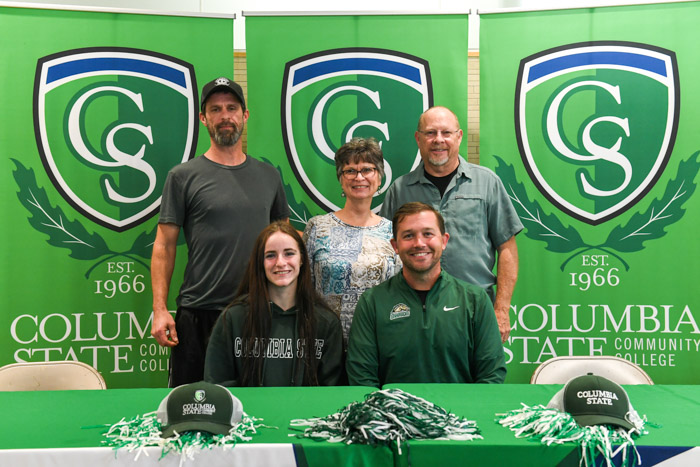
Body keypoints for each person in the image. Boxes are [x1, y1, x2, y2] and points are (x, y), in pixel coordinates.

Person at [150, 77, 290, 387]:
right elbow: (164, 246)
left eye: (231, 108)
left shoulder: (269, 176)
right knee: (191, 407)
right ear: (203, 118)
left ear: (245, 115)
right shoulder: (182, 176)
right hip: (198, 313)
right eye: (215, 109)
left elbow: (286, 243)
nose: (224, 116)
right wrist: (160, 310)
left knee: (257, 407)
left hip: (258, 311)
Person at [379, 106, 523, 342]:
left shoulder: (487, 183)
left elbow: (507, 248)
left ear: (459, 136)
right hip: (412, 312)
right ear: (418, 138)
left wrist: (501, 310)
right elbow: (386, 251)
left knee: (478, 378)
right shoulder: (400, 189)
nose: (438, 140)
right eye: (430, 133)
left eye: (446, 133)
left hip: (475, 310)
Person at [346, 202, 506, 387]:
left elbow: (492, 375)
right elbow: (362, 377)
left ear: (444, 241)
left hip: (460, 415)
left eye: (428, 234)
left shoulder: (475, 300)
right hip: (393, 415)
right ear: (395, 245)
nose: (419, 243)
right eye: (408, 236)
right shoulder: (372, 302)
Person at [204, 221, 343, 386]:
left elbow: (332, 394)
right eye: (270, 255)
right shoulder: (234, 318)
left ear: (302, 260)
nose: (280, 263)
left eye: (289, 253)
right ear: (260, 263)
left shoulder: (325, 323)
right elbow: (217, 387)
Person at [303, 137, 400, 341]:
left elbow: (400, 293)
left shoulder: (393, 232)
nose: (359, 177)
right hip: (327, 344)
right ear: (341, 178)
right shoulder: (317, 227)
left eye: (367, 169)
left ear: (379, 177)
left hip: (379, 343)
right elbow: (304, 289)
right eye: (350, 171)